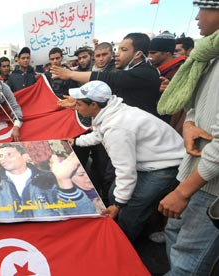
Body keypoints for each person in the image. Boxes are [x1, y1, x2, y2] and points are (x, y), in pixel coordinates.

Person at [68, 80, 184, 242]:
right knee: (114, 193)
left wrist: (118, 205)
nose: (76, 107)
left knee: (131, 208)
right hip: (150, 160)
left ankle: (123, 242)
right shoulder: (110, 111)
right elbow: (99, 133)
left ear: (94, 105)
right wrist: (77, 141)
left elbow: (125, 171)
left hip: (164, 165)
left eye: (79, 104)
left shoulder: (117, 129)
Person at [157, 1, 219, 274]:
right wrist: (191, 123)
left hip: (209, 185)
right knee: (174, 234)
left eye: (205, 8)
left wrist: (182, 192)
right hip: (193, 169)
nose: (197, 16)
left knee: (187, 263)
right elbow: (195, 100)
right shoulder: (209, 54)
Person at [0, 143, 96, 220]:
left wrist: (64, 183)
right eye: (0, 156)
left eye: (9, 154)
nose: (3, 158)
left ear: (24, 156)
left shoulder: (49, 179)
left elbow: (85, 214)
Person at [51, 32, 162, 118]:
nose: (117, 54)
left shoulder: (146, 73)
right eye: (118, 49)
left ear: (138, 54)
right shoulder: (132, 71)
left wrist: (70, 74)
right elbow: (109, 96)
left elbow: (108, 79)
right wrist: (79, 102)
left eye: (123, 50)